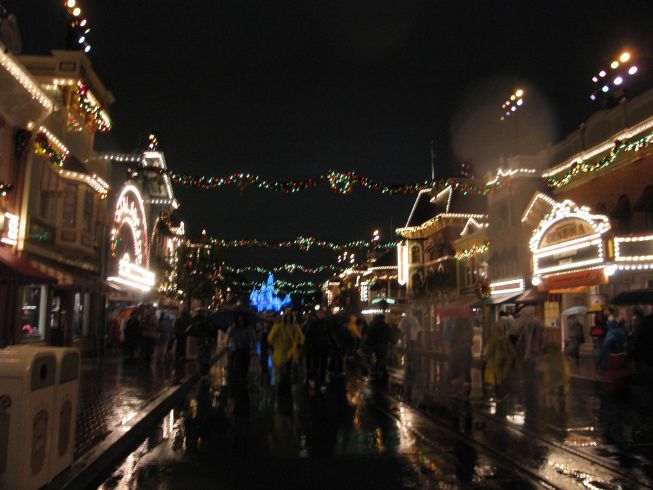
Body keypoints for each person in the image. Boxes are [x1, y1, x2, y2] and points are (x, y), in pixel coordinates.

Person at [267, 310, 304, 393]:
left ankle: (285, 384)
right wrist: (276, 325)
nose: (288, 318)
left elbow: (300, 338)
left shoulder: (295, 327)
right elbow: (271, 338)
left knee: (288, 368)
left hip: (291, 351)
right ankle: (282, 384)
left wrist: (297, 346)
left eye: (290, 317)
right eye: (287, 316)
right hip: (281, 351)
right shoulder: (280, 326)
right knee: (281, 368)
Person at [515, 306, 544, 403]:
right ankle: (531, 394)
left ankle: (531, 394)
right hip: (531, 353)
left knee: (529, 372)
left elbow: (536, 339)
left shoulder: (533, 324)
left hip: (530, 353)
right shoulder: (534, 324)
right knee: (529, 372)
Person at [483, 322, 515, 399]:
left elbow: (490, 351)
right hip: (507, 361)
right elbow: (512, 351)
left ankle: (499, 394)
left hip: (497, 360)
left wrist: (485, 358)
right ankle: (505, 393)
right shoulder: (505, 338)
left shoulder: (493, 338)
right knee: (504, 376)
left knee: (498, 377)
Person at [226, 312, 257, 390]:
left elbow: (252, 337)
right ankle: (238, 380)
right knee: (237, 365)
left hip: (246, 348)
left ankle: (243, 379)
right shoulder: (233, 327)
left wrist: (253, 346)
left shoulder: (248, 327)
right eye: (239, 317)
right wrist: (227, 345)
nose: (241, 319)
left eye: (242, 317)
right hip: (236, 349)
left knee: (245, 364)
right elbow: (228, 336)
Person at [304, 308, 332, 391]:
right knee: (315, 365)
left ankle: (322, 382)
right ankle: (311, 378)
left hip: (324, 347)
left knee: (323, 366)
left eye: (322, 313)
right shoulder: (313, 324)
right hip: (315, 348)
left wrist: (331, 344)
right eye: (319, 313)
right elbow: (308, 336)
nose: (321, 315)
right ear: (317, 314)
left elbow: (329, 335)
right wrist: (310, 346)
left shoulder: (326, 323)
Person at [364, 314, 391, 380]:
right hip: (381, 344)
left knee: (377, 357)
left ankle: (376, 370)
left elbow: (368, 334)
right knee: (381, 357)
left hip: (374, 344)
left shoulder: (372, 324)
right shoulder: (384, 325)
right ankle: (381, 370)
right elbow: (388, 334)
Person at [257, 312, 275, 385]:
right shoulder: (262, 330)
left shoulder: (270, 330)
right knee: (264, 363)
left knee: (268, 364)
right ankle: (265, 379)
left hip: (268, 348)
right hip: (263, 348)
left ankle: (267, 380)